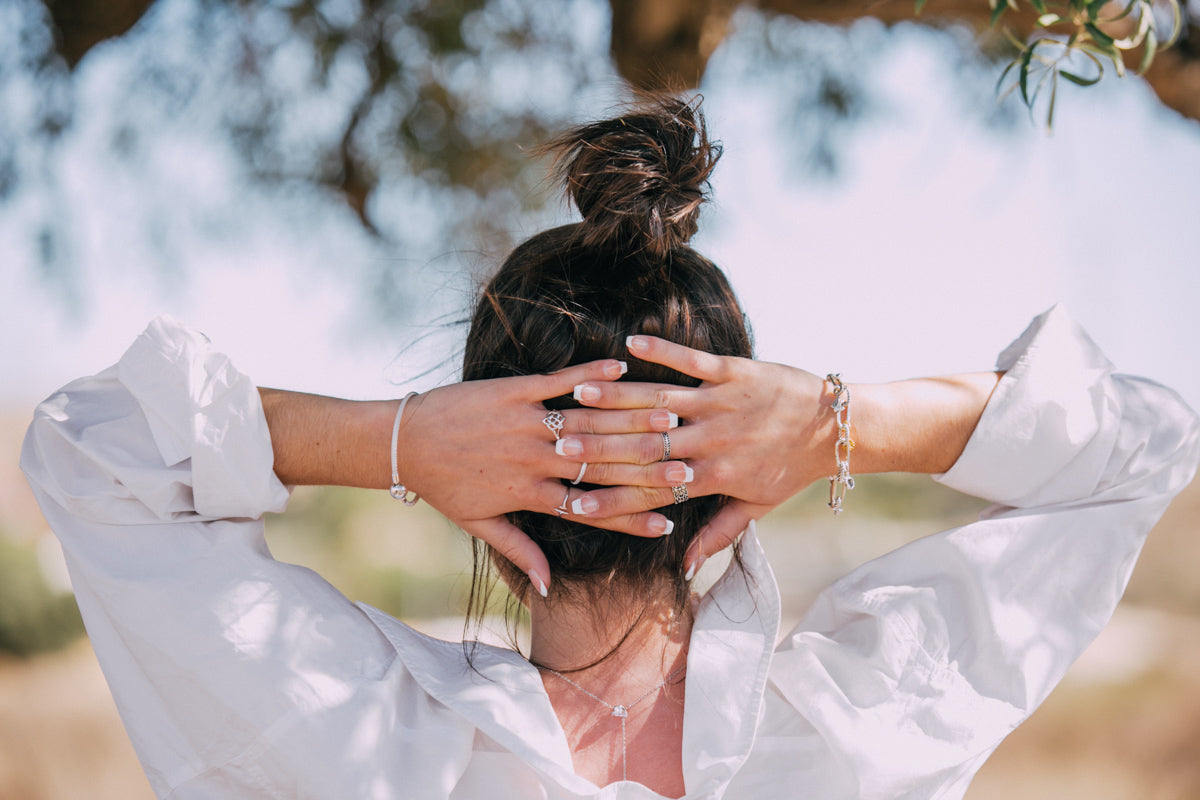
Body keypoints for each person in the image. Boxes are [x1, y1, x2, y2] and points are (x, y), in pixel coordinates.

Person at [20, 97, 1200, 800]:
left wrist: (395, 442)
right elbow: (1145, 443)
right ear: (736, 485)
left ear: (487, 483)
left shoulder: (347, 726)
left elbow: (94, 449)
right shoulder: (862, 719)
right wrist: (837, 422)